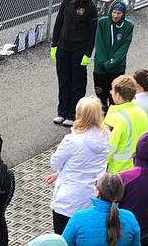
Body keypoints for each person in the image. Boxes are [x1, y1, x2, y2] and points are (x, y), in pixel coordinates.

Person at [48, 97, 112, 234]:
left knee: (63, 239)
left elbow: (54, 163)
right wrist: (60, 173)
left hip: (68, 202)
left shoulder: (72, 140)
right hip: (92, 197)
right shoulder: (106, 136)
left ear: (79, 116)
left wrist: (59, 171)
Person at [52, 0, 99, 124]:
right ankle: (62, 111)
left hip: (79, 50)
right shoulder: (66, 3)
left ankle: (74, 114)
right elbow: (58, 24)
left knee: (77, 83)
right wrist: (54, 44)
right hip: (63, 48)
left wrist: (88, 53)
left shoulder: (89, 7)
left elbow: (92, 32)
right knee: (63, 81)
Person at [104, 74, 148, 177]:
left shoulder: (114, 119)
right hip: (137, 166)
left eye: (112, 90)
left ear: (118, 95)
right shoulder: (141, 112)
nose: (111, 93)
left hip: (117, 170)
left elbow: (108, 148)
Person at [93, 0, 134, 109]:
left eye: (119, 13)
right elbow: (99, 44)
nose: (115, 16)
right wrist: (104, 62)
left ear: (123, 14)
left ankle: (113, 115)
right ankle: (103, 112)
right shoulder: (102, 22)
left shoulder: (128, 26)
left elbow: (124, 47)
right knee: (101, 96)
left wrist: (112, 62)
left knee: (115, 97)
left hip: (117, 68)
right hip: (101, 67)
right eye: (114, 12)